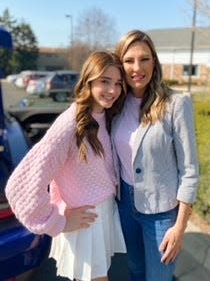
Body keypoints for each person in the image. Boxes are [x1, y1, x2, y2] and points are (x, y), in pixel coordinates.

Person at [5, 51, 127, 281]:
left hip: (102, 215)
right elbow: (20, 189)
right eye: (105, 81)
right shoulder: (69, 124)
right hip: (86, 222)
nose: (112, 90)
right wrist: (57, 222)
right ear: (88, 81)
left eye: (118, 83)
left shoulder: (104, 116)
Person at [112, 30, 199, 281]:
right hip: (126, 205)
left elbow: (190, 170)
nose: (137, 68)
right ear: (120, 65)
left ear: (154, 62)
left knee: (159, 277)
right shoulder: (115, 104)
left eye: (144, 59)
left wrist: (180, 226)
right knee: (135, 270)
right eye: (129, 60)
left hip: (162, 213)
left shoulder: (176, 104)